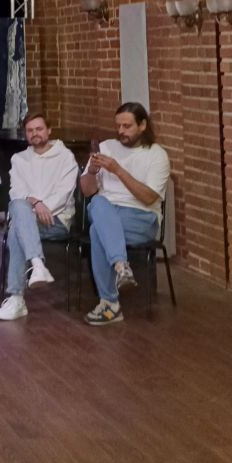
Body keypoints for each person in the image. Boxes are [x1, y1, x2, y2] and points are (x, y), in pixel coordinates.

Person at [79, 101, 169, 326]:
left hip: (141, 217)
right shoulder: (106, 147)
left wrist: (118, 170)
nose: (121, 131)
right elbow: (87, 191)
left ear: (142, 125)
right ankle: (121, 266)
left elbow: (148, 198)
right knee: (98, 203)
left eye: (127, 126)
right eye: (118, 126)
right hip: (106, 211)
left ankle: (110, 304)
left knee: (97, 230)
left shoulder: (157, 155)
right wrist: (92, 172)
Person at [0, 111, 79, 321]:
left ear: (49, 130)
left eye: (39, 129)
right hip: (28, 217)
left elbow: (65, 193)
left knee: (16, 228)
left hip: (56, 220)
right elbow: (16, 193)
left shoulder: (65, 157)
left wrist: (40, 206)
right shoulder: (19, 159)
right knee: (18, 211)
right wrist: (34, 204)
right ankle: (38, 265)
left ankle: (17, 299)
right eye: (30, 130)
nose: (35, 133)